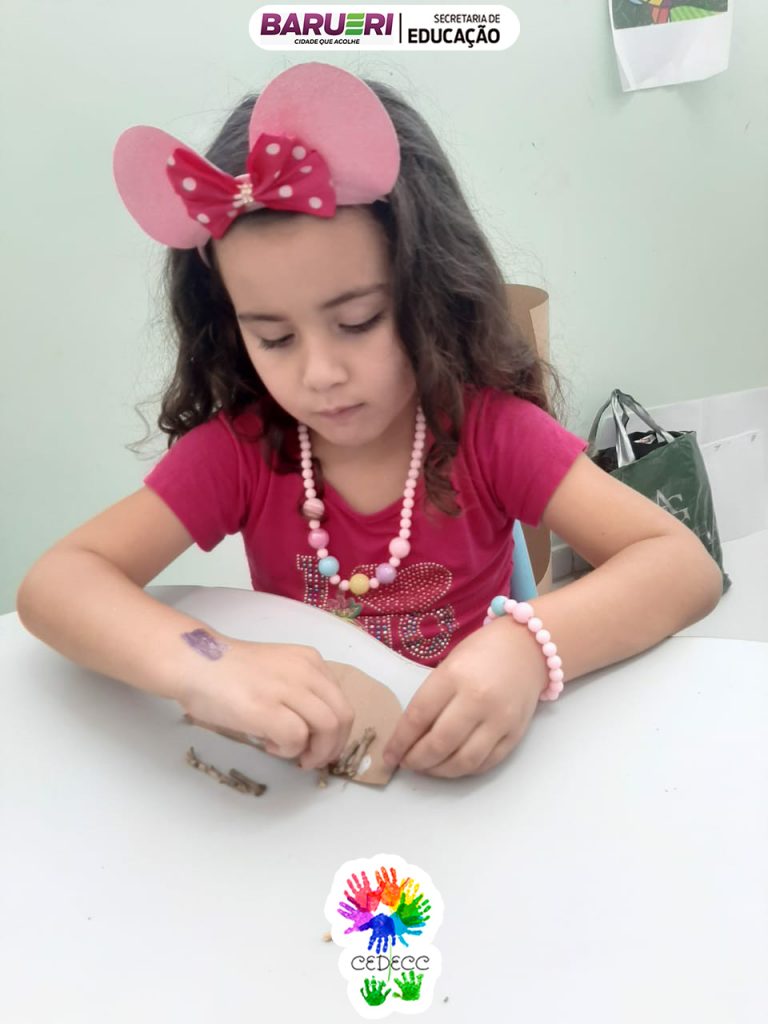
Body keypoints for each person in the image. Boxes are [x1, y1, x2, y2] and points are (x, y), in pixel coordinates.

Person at [15, 63, 722, 781]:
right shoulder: (242, 451)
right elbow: (58, 583)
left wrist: (528, 647)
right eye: (274, 337)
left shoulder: (491, 433)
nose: (320, 373)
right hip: (319, 781)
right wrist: (208, 663)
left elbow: (684, 567)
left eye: (357, 321)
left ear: (428, 291)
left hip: (471, 770)